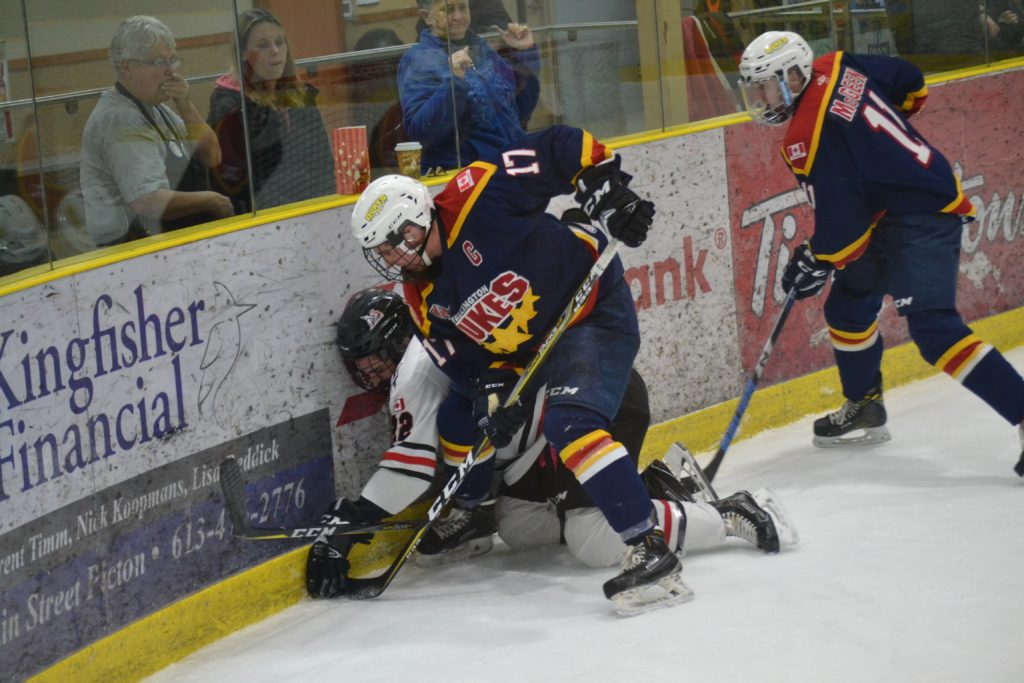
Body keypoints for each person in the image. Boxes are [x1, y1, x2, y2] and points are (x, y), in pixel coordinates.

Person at [346, 124, 702, 615]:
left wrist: (603, 189)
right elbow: (465, 360)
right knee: (461, 419)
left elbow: (559, 148)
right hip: (534, 351)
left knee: (570, 422)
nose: (391, 261)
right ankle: (473, 513)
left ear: (414, 224)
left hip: (590, 312)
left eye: (392, 246)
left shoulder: (476, 198)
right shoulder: (421, 298)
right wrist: (491, 385)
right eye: (382, 255)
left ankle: (649, 549)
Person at [306, 286, 795, 605]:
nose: (365, 373)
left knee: (594, 539)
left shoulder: (414, 369)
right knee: (521, 528)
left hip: (583, 413)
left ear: (396, 341)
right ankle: (653, 487)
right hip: (537, 443)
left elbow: (409, 467)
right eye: (359, 364)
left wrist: (349, 523)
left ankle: (730, 513)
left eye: (371, 360)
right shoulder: (428, 348)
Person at [736, 31, 1024, 472]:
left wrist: (817, 257)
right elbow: (911, 82)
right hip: (894, 206)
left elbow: (844, 228)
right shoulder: (837, 66)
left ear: (793, 75)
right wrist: (885, 154)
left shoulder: (807, 135)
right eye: (754, 89)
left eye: (766, 86)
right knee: (848, 309)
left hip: (922, 213)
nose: (760, 98)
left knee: (935, 331)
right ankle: (865, 405)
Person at [80, 15, 233, 246]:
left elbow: (212, 156)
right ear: (127, 67)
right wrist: (210, 200)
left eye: (173, 60)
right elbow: (148, 202)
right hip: (128, 250)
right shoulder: (120, 118)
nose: (171, 72)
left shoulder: (156, 108)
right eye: (159, 63)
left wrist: (185, 104)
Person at [207, 9, 334, 214]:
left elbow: (323, 163)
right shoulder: (230, 106)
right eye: (263, 45)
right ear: (243, 53)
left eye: (280, 42)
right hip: (263, 219)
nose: (275, 51)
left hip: (313, 209)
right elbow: (237, 186)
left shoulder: (300, 95)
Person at [398, 0, 540, 173]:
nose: (458, 17)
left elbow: (521, 110)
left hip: (510, 165)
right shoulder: (418, 60)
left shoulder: (481, 49)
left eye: (463, 8)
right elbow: (420, 133)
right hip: (466, 176)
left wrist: (524, 53)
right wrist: (454, 83)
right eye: (448, 10)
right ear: (427, 17)